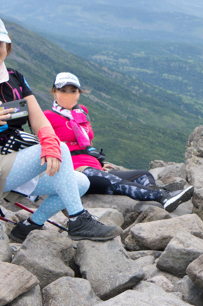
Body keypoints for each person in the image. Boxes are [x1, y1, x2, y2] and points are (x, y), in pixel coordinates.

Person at [0, 11, 121, 243]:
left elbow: (38, 119)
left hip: (11, 160)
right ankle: (78, 220)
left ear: (7, 43)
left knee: (80, 182)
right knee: (62, 150)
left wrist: (50, 143)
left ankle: (29, 226)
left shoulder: (14, 77)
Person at [43, 72, 194, 211]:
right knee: (117, 182)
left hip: (93, 167)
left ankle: (151, 198)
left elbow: (85, 144)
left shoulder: (81, 112)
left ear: (79, 93)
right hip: (75, 171)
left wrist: (98, 163)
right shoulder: (47, 116)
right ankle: (163, 196)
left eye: (73, 91)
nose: (68, 95)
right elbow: (46, 146)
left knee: (144, 175)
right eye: (63, 91)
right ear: (54, 92)